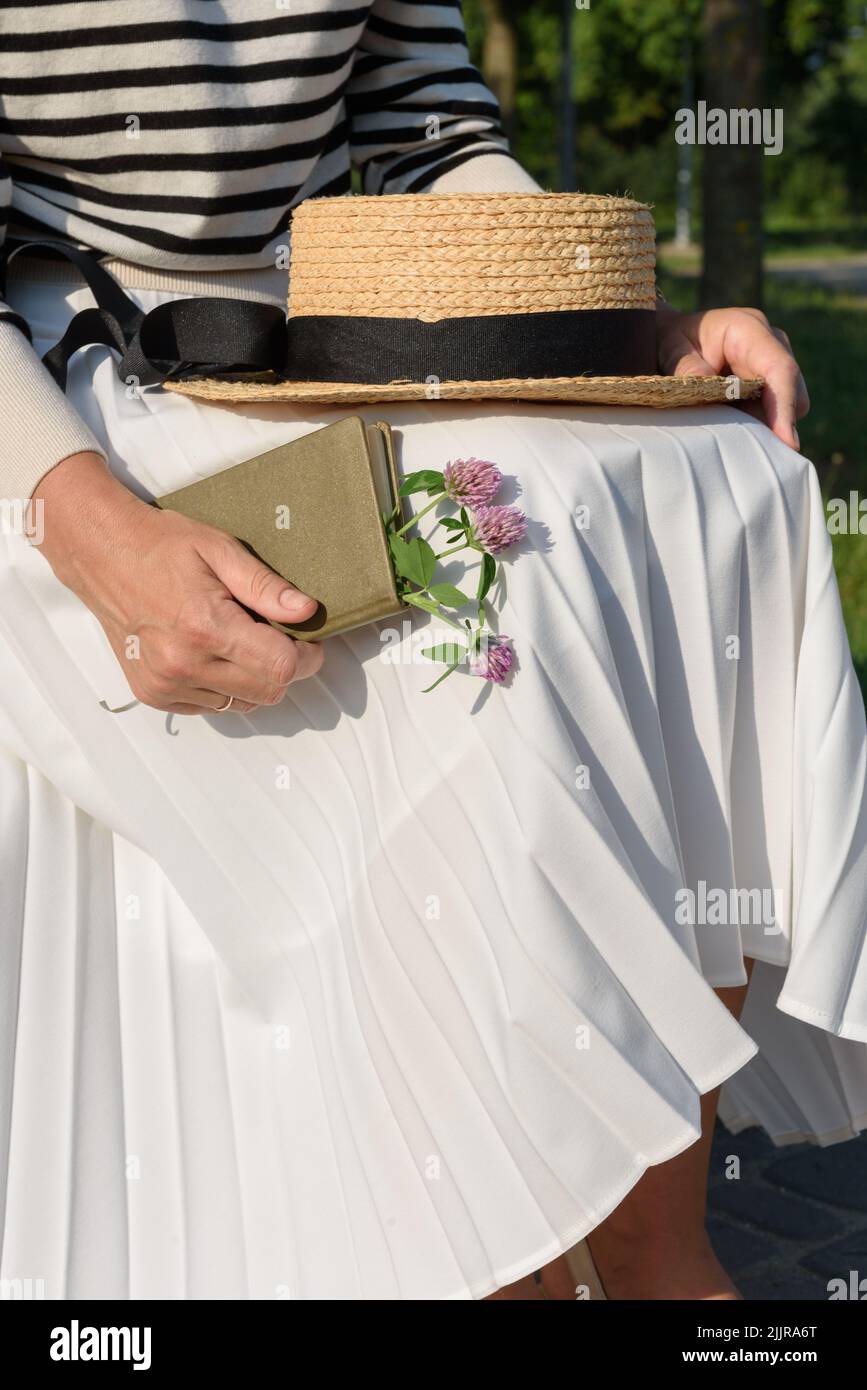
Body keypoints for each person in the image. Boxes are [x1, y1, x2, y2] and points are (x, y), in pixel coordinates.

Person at [1, 2, 863, 1303]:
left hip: (331, 326)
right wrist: (85, 524)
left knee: (714, 480)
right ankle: (487, 1249)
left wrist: (608, 332)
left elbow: (428, 127)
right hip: (55, 384)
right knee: (478, 553)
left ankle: (647, 1247)